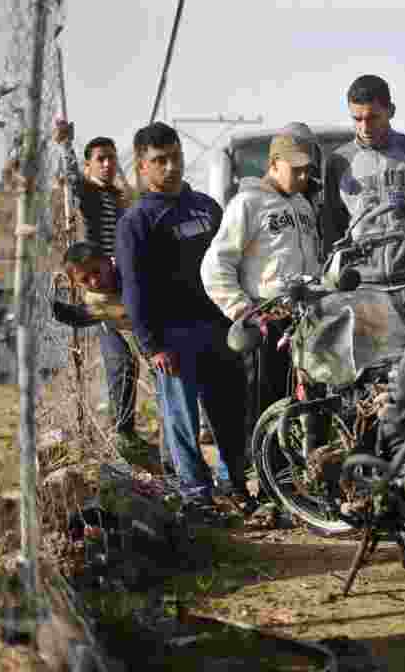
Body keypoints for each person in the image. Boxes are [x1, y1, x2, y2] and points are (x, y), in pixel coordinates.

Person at [116, 121, 253, 523]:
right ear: (143, 168)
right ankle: (196, 496)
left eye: (175, 157)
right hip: (172, 338)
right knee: (182, 420)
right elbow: (134, 290)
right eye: (160, 161)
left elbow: (233, 264)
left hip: (219, 330)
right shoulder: (136, 222)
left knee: (229, 413)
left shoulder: (207, 208)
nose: (171, 167)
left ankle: (235, 484)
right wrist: (152, 346)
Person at [200, 129, 321, 422]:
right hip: (267, 322)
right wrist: (244, 310)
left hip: (304, 320)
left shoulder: (304, 205)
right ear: (275, 163)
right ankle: (259, 468)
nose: (304, 177)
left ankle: (297, 466)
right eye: (297, 170)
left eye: (308, 170)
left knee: (303, 409)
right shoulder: (247, 203)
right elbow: (215, 265)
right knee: (265, 410)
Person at [52, 122, 151, 457]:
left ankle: (127, 429)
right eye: (100, 159)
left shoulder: (119, 195)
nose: (108, 164)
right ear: (89, 164)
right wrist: (66, 144)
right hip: (102, 291)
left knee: (136, 359)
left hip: (125, 284)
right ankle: (122, 430)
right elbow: (73, 180)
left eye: (112, 158)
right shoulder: (90, 195)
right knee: (119, 360)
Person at [323, 74, 405, 324]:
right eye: (357, 119)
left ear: (391, 111)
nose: (365, 126)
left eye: (373, 117)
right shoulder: (338, 161)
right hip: (366, 290)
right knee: (377, 364)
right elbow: (333, 230)